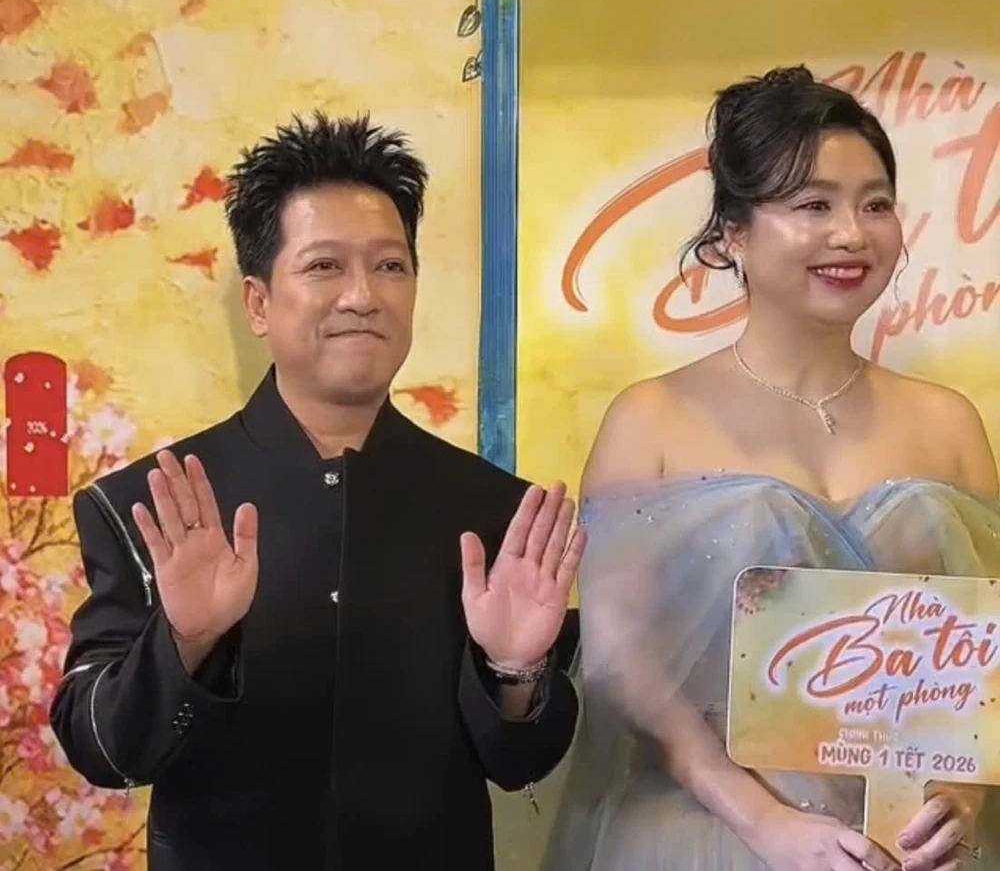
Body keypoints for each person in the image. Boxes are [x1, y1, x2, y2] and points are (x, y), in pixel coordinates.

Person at [50, 112, 586, 870]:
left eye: (390, 266)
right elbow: (104, 752)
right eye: (324, 266)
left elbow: (520, 762)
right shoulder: (151, 505)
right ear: (259, 304)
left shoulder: (497, 513)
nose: (362, 296)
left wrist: (516, 673)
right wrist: (185, 643)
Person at [542, 66, 1000, 871]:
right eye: (814, 205)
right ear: (733, 234)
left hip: (903, 846)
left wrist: (960, 795)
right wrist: (761, 821)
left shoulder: (950, 423)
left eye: (875, 204)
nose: (851, 234)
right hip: (706, 834)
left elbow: (979, 659)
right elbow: (621, 664)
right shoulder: (650, 420)